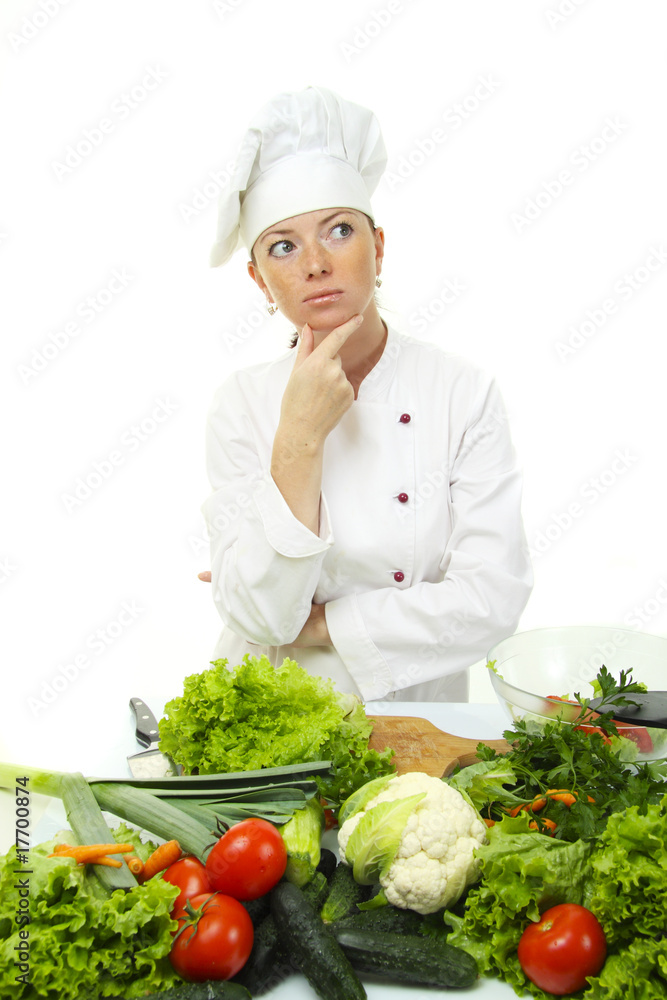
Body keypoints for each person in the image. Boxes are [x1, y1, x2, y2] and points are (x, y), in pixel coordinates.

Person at [200, 85, 533, 703]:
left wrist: (324, 622)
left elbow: (491, 600)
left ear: (378, 247)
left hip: (415, 717)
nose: (315, 264)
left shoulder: (462, 393)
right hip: (269, 713)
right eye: (283, 246)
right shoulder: (240, 404)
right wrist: (298, 435)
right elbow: (261, 620)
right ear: (260, 280)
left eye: (339, 231)